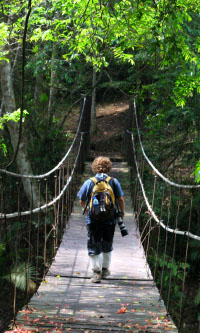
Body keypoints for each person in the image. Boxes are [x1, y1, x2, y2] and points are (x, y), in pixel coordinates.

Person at [77, 156, 125, 283]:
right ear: (108, 168)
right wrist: (122, 212)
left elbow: (81, 200)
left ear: (94, 168)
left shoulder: (89, 182)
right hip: (110, 218)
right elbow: (120, 199)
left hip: (93, 219)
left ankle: (96, 272)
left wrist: (87, 210)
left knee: (94, 243)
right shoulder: (114, 182)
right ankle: (105, 269)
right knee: (107, 243)